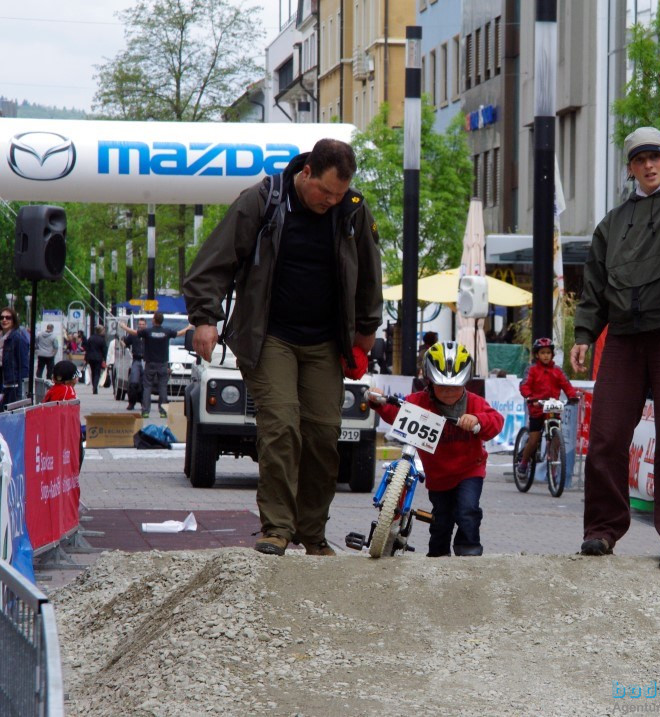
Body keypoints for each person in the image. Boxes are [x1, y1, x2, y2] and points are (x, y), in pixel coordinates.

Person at [183, 138, 383, 557]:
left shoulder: (353, 210)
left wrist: (366, 331)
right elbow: (214, 261)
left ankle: (312, 533)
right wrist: (205, 318)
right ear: (305, 172)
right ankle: (276, 527)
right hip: (269, 336)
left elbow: (368, 273)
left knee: (326, 434)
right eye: (324, 192)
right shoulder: (262, 200)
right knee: (281, 427)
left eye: (339, 194)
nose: (330, 201)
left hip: (325, 342)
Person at [570, 126, 660, 570]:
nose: (650, 165)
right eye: (640, 159)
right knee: (605, 437)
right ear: (631, 167)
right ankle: (601, 529)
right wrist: (583, 335)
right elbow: (593, 287)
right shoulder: (611, 224)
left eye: (657, 157)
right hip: (625, 336)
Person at [368, 342, 504, 556]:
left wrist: (477, 420)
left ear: (465, 382)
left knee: (468, 512)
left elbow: (496, 421)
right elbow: (396, 412)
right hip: (438, 476)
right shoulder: (419, 402)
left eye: (455, 386)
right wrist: (377, 401)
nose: (449, 392)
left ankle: (469, 552)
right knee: (441, 520)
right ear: (429, 382)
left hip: (469, 471)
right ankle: (437, 558)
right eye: (442, 387)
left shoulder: (475, 403)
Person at [516, 337, 579, 478]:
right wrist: (530, 397)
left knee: (557, 438)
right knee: (534, 439)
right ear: (537, 355)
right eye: (542, 353)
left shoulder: (558, 371)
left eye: (548, 353)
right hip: (537, 409)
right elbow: (524, 385)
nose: (546, 355)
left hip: (552, 408)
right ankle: (524, 463)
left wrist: (572, 396)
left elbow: (567, 386)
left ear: (552, 355)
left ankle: (554, 466)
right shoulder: (532, 370)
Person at [121, 313, 190, 418]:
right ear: (162, 321)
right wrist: (189, 327)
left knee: (147, 387)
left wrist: (124, 327)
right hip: (163, 364)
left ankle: (145, 411)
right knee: (163, 388)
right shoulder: (166, 332)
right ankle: (163, 411)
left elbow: (134, 333)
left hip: (150, 363)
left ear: (153, 321)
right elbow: (180, 333)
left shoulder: (148, 332)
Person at [0, 308, 30, 409]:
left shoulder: (17, 338)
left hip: (14, 387)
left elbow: (24, 366)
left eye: (8, 317)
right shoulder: (4, 338)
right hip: (5, 385)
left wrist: (21, 390)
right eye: (2, 317)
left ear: (14, 320)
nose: (4, 320)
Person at [124, 318, 148, 410]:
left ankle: (143, 403)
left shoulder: (148, 335)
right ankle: (131, 402)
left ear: (146, 325)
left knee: (144, 384)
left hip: (146, 361)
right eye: (140, 324)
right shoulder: (133, 335)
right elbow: (126, 342)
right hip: (136, 360)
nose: (141, 326)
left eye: (143, 324)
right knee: (133, 383)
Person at [84, 325, 108, 395]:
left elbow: (87, 349)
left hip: (91, 358)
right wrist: (105, 359)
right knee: (97, 372)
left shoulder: (90, 338)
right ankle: (95, 386)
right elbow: (104, 350)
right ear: (100, 331)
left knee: (93, 372)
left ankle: (93, 385)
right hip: (98, 358)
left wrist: (86, 358)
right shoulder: (102, 339)